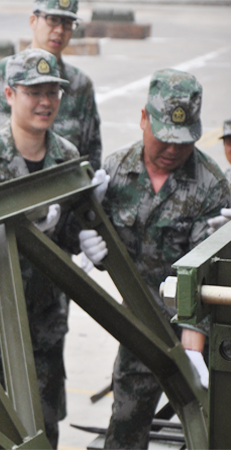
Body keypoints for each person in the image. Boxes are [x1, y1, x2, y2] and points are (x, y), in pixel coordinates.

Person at [78, 69, 229, 449]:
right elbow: (99, 241)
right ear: (144, 118)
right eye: (165, 138)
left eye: (184, 141)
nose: (174, 150)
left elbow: (204, 274)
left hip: (199, 330)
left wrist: (193, 349)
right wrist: (86, 238)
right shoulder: (116, 172)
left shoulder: (211, 184)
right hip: (142, 325)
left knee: (210, 427)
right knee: (127, 422)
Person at [0, 48, 79, 449]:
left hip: (45, 319)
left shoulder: (67, 157)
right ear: (10, 95)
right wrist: (25, 225)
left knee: (43, 428)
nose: (45, 102)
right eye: (34, 92)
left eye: (52, 92)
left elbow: (74, 230)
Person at [0, 0, 102, 171]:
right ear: (33, 21)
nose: (59, 30)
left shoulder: (80, 85)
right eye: (52, 19)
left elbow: (91, 155)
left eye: (67, 23)